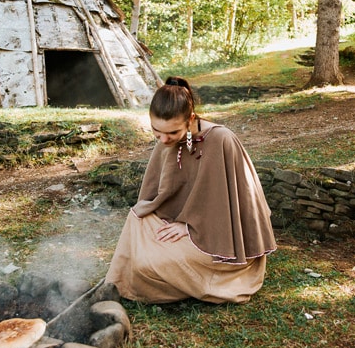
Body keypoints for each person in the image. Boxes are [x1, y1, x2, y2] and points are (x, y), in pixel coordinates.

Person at [105, 76, 276, 304]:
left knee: (151, 264)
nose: (164, 139)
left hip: (218, 236)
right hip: (182, 222)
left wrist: (189, 225)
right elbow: (160, 192)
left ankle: (193, 279)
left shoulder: (221, 139)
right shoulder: (167, 141)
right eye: (157, 132)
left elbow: (230, 200)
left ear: (191, 119)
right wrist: (169, 218)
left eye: (172, 133)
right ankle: (117, 285)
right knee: (138, 219)